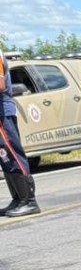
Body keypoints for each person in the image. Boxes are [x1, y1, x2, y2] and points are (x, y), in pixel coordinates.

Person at [0, 54, 38, 217]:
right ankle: (18, 199)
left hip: (2, 112)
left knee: (13, 154)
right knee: (5, 157)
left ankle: (29, 201)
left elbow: (1, 85)